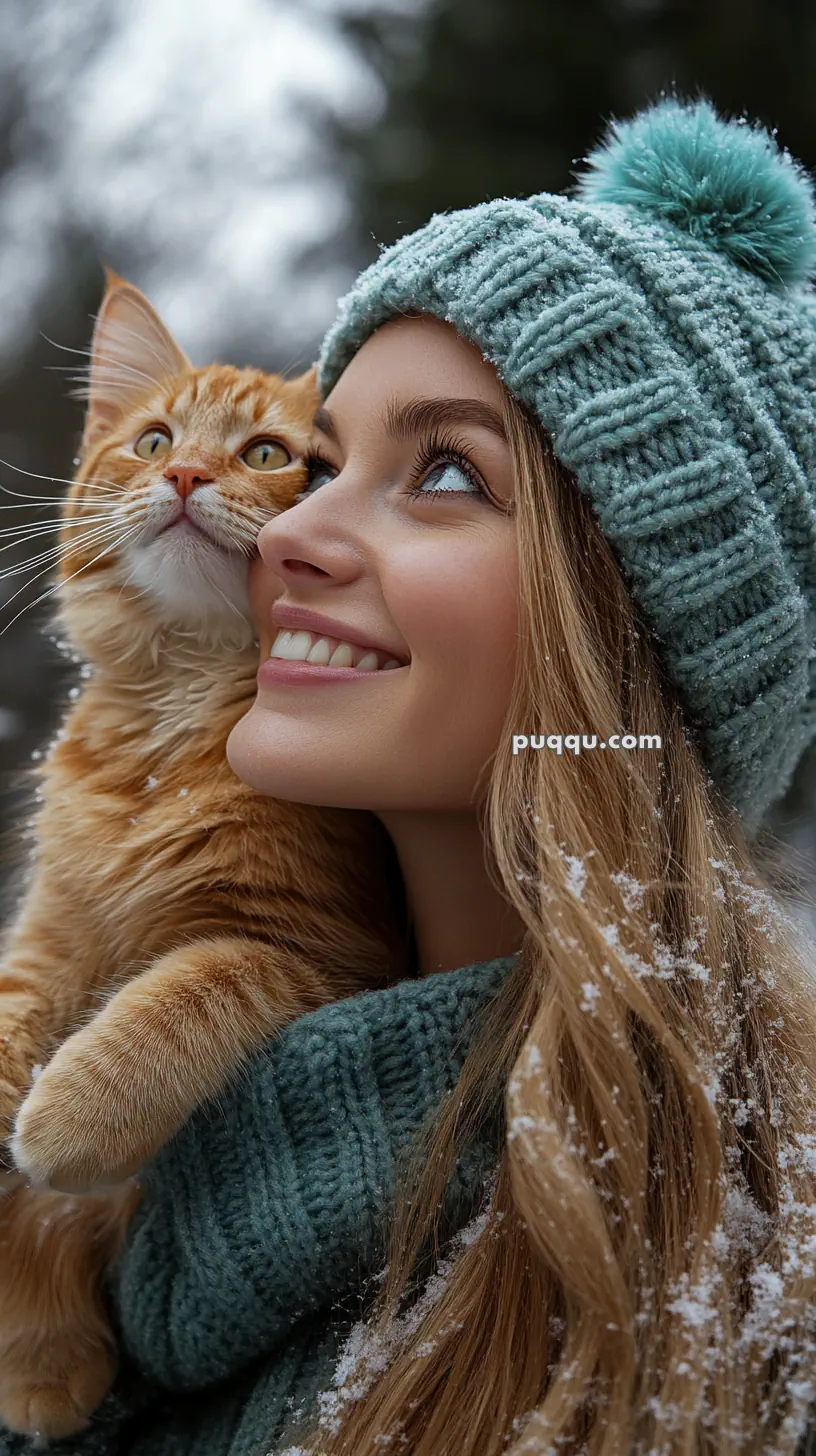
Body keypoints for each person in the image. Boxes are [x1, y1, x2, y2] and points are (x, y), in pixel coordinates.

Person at [2, 94, 816, 1456]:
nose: (292, 532)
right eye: (323, 464)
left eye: (442, 471)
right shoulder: (197, 1243)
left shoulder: (731, 1304)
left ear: (636, 629)